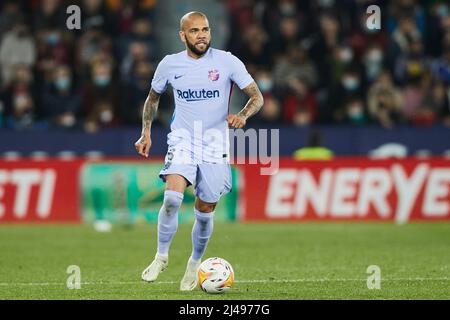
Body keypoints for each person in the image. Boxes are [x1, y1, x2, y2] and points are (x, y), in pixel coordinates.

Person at [134, 11, 263, 291]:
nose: (201, 35)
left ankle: (194, 264)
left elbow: (257, 96)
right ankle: (161, 256)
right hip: (182, 140)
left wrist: (242, 115)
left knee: (204, 210)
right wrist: (145, 131)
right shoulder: (169, 64)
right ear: (183, 35)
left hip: (216, 147)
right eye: (194, 31)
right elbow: (152, 98)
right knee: (171, 199)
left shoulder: (227, 61)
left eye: (205, 29)